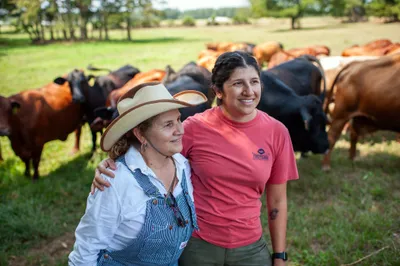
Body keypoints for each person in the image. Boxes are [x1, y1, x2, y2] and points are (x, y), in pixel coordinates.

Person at [92, 51, 299, 266]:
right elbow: (151, 155)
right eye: (238, 83)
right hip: (197, 246)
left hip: (250, 248)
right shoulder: (195, 128)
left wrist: (279, 255)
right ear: (219, 91)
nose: (249, 91)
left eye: (254, 82)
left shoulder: (277, 132)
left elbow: (277, 201)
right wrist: (114, 164)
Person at [68, 82, 208, 266]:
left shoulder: (182, 166)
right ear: (141, 135)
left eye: (178, 120)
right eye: (168, 125)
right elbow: (86, 249)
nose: (180, 130)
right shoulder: (115, 182)